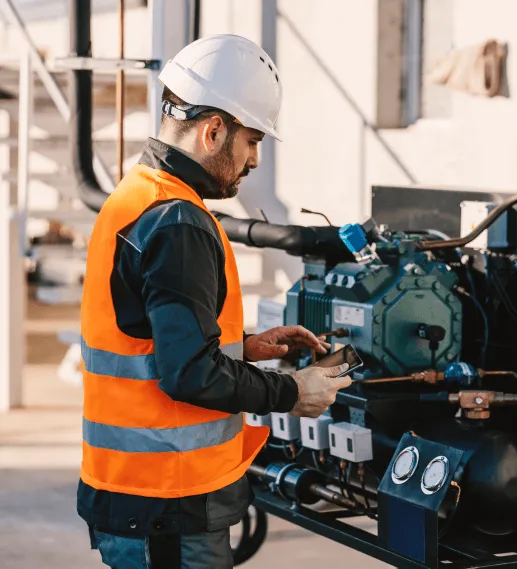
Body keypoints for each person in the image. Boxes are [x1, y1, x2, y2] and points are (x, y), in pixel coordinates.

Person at [77, 34, 351, 568]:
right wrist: (291, 391)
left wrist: (244, 348)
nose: (252, 160)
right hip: (168, 502)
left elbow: (147, 339)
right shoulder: (178, 221)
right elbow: (187, 374)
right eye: (251, 141)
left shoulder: (134, 197)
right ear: (213, 130)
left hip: (134, 492)